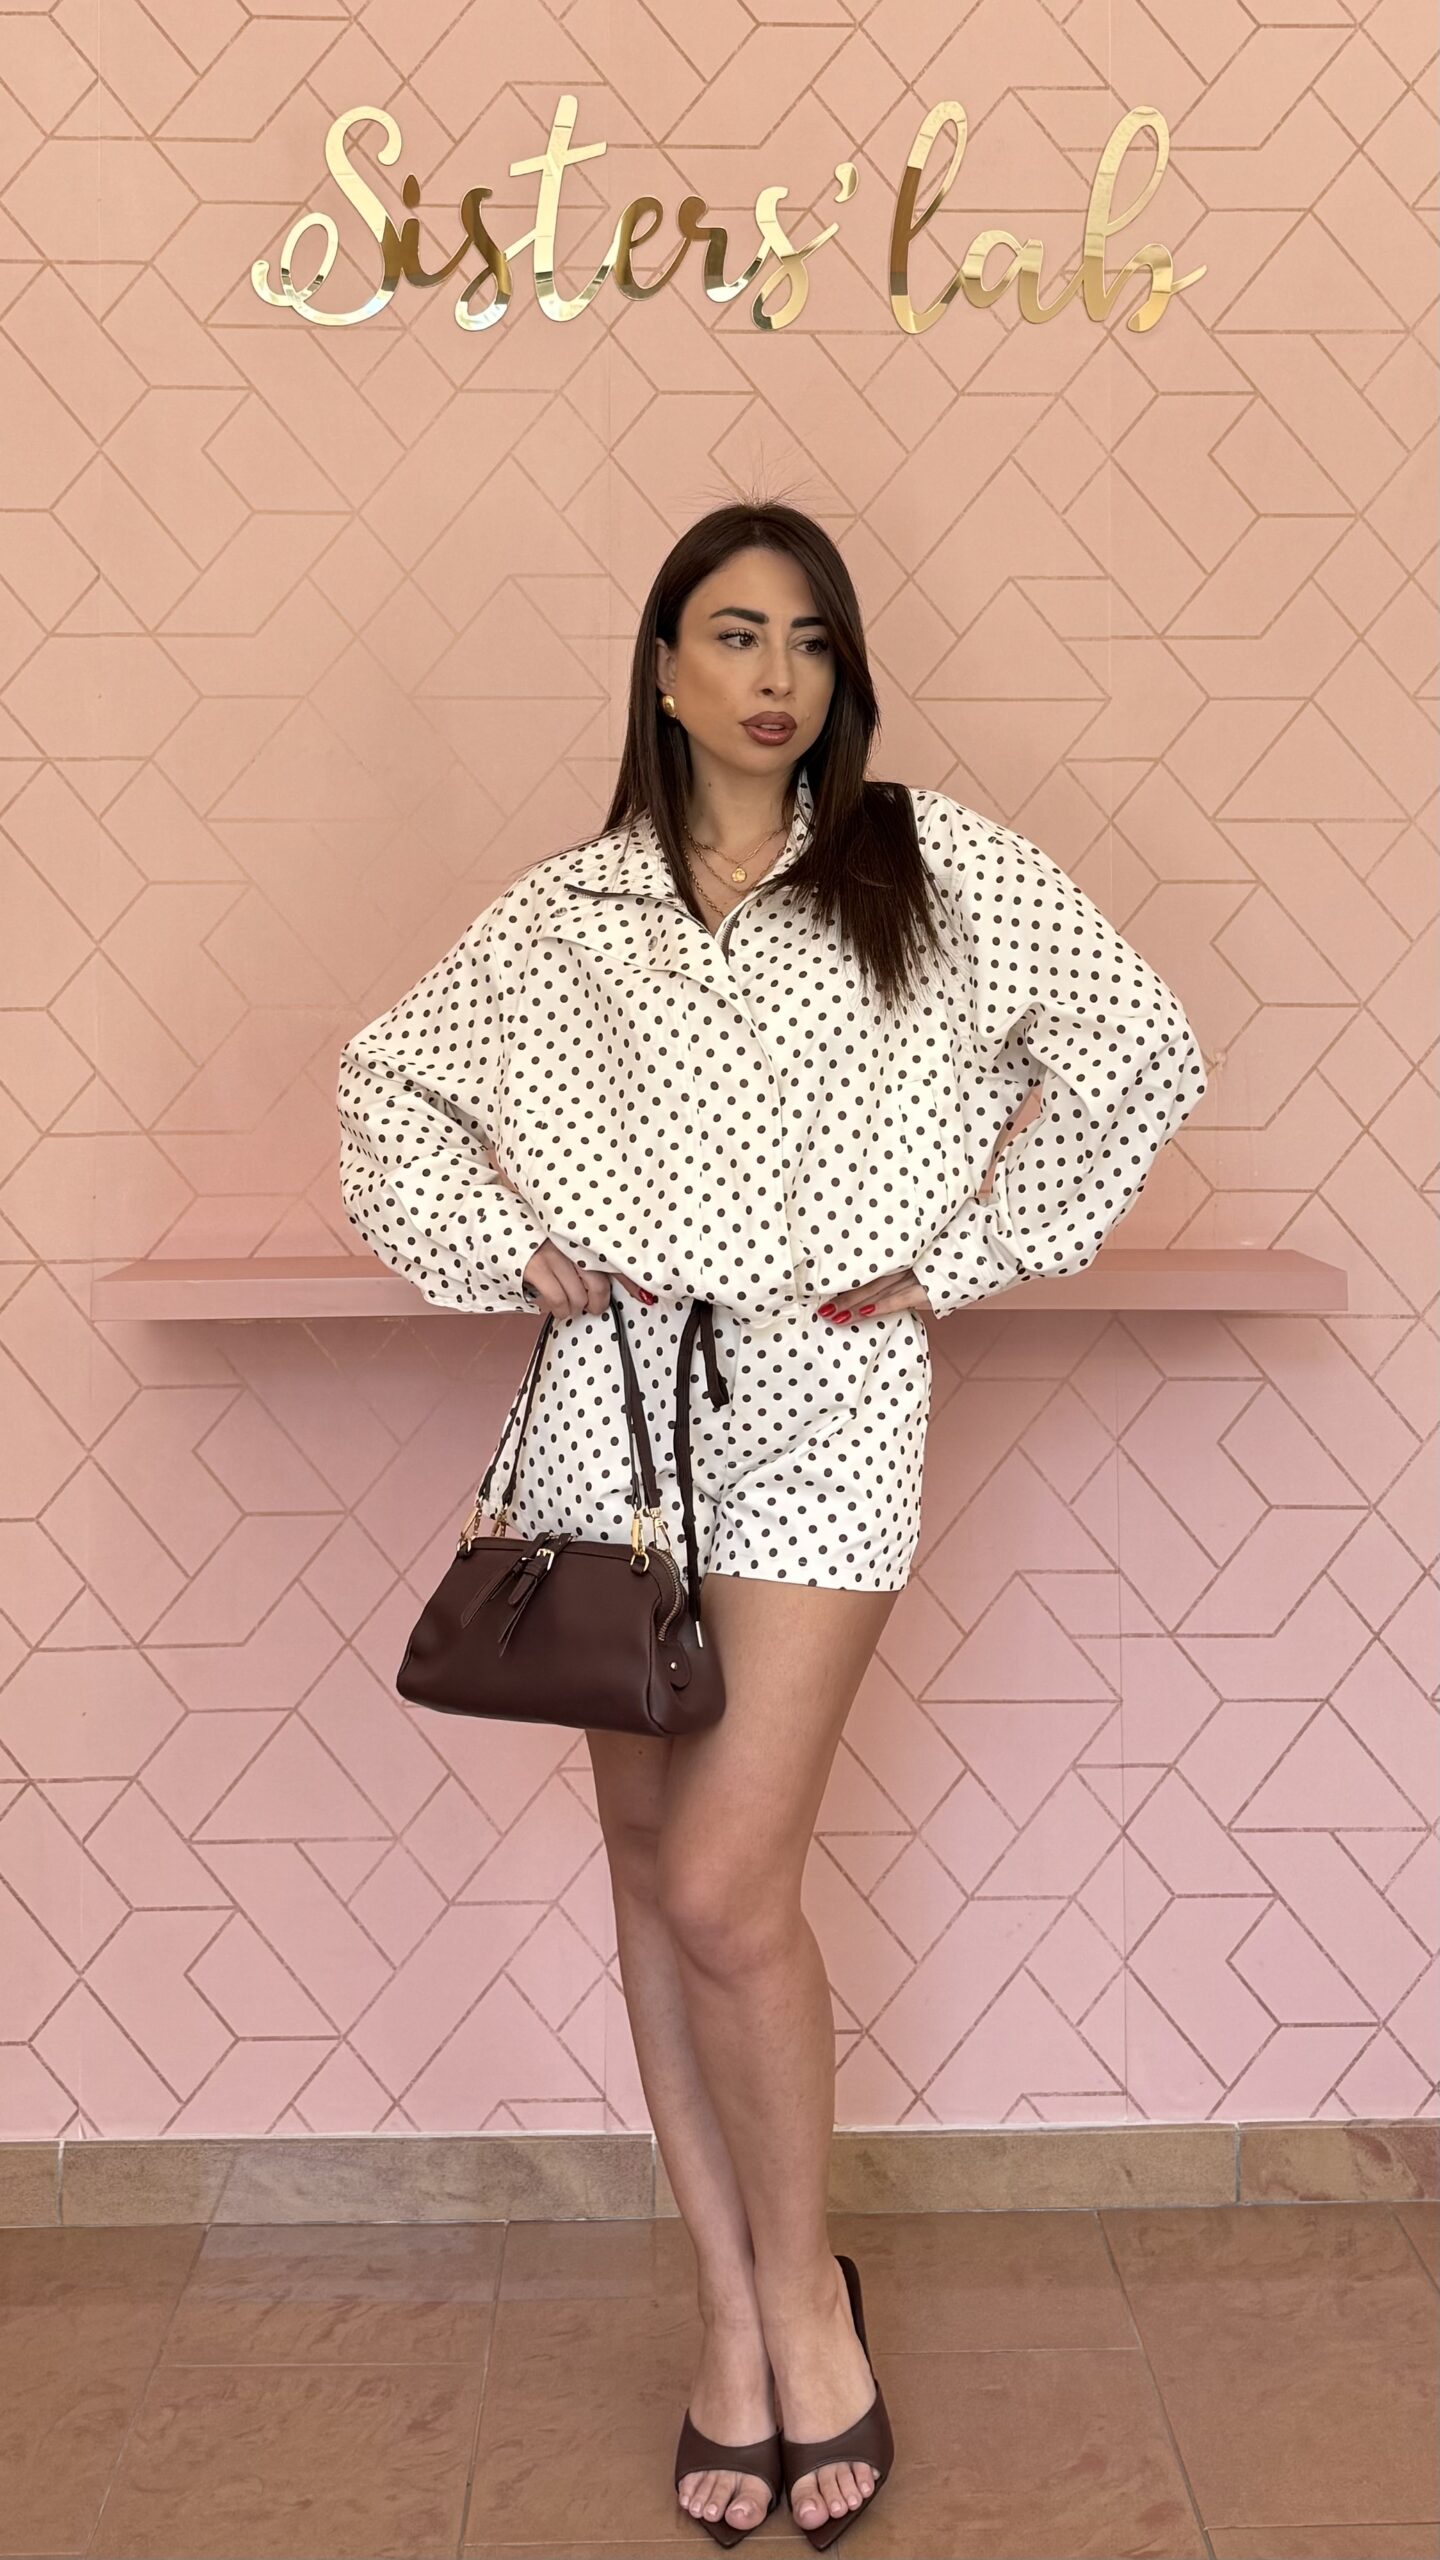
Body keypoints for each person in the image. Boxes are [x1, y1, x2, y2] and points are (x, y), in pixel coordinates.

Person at [336, 500, 1209, 2548]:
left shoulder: (923, 861)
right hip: (609, 1414)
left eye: (810, 640)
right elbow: (384, 1084)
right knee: (651, 1880)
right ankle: (728, 2315)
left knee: (731, 1879)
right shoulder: (566, 913)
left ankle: (812, 2297)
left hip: (829, 1401)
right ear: (662, 666)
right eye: (734, 634)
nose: (776, 677)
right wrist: (508, 1250)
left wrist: (959, 1255)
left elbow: (1141, 1050)